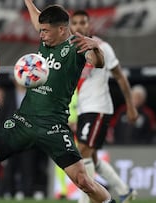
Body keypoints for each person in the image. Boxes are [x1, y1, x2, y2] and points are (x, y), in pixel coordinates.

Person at [0, 1, 117, 202]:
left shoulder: (77, 47)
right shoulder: (46, 39)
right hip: (23, 120)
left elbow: (98, 62)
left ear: (62, 29)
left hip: (53, 126)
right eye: (41, 30)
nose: (41, 34)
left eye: (45, 31)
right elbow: (37, 18)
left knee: (83, 181)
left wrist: (96, 49)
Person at [70, 10, 139, 203]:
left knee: (82, 152)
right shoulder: (70, 49)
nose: (78, 26)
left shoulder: (102, 47)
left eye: (83, 22)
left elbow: (119, 76)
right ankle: (124, 191)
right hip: (84, 108)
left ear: (89, 25)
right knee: (93, 158)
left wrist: (130, 106)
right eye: (74, 23)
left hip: (99, 108)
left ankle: (85, 200)